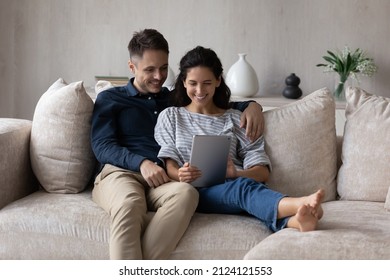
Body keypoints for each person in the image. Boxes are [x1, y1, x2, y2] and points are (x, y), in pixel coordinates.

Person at [91, 29, 265, 259]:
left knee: (187, 193)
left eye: (163, 68)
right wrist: (141, 163)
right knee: (130, 204)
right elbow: (102, 146)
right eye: (150, 70)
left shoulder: (171, 98)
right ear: (132, 68)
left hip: (163, 180)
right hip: (120, 174)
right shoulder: (110, 98)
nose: (158, 76)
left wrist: (252, 105)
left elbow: (209, 99)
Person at [154, 46, 325, 233]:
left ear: (218, 81)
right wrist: (180, 174)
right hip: (194, 193)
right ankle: (299, 203)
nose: (200, 90)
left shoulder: (236, 119)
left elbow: (262, 173)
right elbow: (168, 163)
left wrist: (235, 174)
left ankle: (295, 221)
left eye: (207, 83)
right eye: (193, 83)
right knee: (242, 189)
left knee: (245, 189)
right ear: (184, 82)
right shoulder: (170, 117)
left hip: (235, 186)